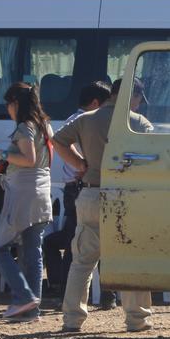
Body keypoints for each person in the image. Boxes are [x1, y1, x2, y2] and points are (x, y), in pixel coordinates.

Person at [52, 77, 154, 333]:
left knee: (82, 261)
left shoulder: (86, 118)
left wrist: (80, 164)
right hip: (126, 197)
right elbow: (154, 154)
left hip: (91, 193)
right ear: (132, 96)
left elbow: (58, 140)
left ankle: (72, 320)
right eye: (139, 100)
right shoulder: (138, 123)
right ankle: (136, 319)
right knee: (132, 260)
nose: (139, 105)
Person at [0, 83, 55, 322]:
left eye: (8, 104)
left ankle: (24, 297)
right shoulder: (45, 126)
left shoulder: (25, 128)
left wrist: (1, 154)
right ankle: (31, 309)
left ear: (16, 103)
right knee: (32, 252)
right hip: (41, 192)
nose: (7, 109)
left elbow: (29, 159)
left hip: (22, 193)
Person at [42, 81, 111, 295]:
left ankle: (67, 289)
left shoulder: (77, 119)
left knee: (81, 240)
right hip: (79, 186)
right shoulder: (85, 120)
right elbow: (62, 142)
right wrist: (82, 163)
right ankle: (69, 290)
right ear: (95, 103)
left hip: (74, 187)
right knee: (79, 241)